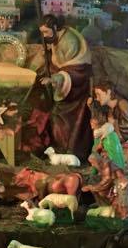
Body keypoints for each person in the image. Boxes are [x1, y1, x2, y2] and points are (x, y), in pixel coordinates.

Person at [38, 15, 93, 159]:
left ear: (55, 27)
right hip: (63, 85)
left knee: (63, 120)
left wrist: (54, 78)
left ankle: (68, 150)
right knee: (54, 116)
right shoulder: (57, 38)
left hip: (75, 91)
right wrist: (48, 56)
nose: (45, 36)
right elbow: (59, 63)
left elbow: (74, 70)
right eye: (42, 32)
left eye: (46, 32)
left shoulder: (69, 42)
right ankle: (58, 148)